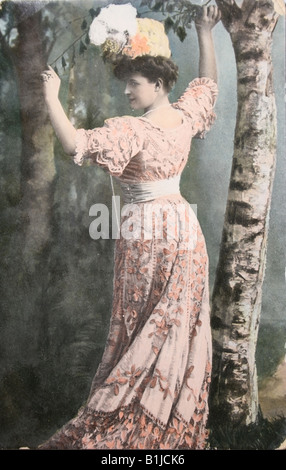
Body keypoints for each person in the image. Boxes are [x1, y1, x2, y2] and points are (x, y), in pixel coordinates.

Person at [39, 5, 221, 450]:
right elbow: (208, 86)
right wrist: (204, 31)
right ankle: (163, 425)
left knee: (148, 326)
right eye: (125, 82)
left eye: (133, 83)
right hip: (182, 229)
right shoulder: (181, 117)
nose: (125, 91)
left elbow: (74, 144)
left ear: (157, 84)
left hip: (148, 234)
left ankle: (142, 428)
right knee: (167, 326)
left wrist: (50, 98)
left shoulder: (133, 131)